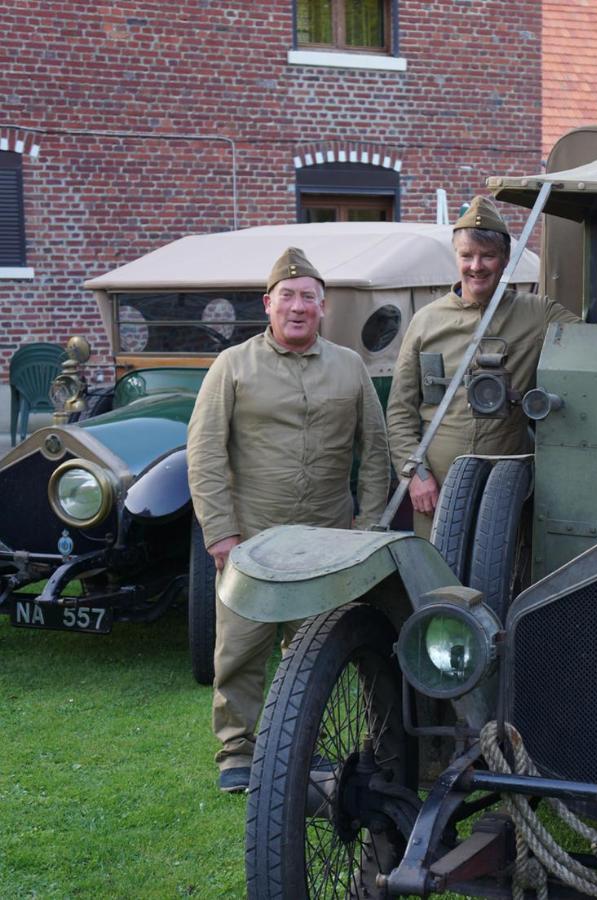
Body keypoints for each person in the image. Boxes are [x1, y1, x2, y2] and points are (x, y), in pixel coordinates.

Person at [186, 246, 390, 794]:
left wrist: (367, 529)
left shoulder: (349, 366)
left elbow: (376, 451)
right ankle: (237, 749)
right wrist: (220, 532)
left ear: (322, 308)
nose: (297, 307)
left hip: (326, 539)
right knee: (241, 647)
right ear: (267, 304)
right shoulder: (233, 365)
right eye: (287, 297)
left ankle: (308, 747)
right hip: (252, 538)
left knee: (315, 651)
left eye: (308, 298)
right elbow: (204, 452)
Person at [385, 196, 597, 536]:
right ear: (456, 257)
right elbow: (400, 412)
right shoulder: (425, 322)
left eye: (488, 256)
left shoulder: (537, 312)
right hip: (438, 489)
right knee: (435, 577)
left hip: (506, 488)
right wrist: (416, 476)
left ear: (505, 259)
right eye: (467, 256)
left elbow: (588, 345)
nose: (476, 266)